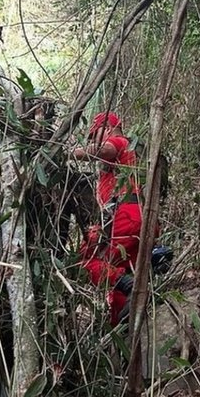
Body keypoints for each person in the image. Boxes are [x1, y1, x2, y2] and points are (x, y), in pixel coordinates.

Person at [72, 111, 142, 326]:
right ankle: (121, 325)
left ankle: (131, 286)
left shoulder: (119, 142)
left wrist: (67, 153)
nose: (93, 140)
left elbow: (105, 149)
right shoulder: (127, 156)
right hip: (135, 219)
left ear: (108, 127)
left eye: (95, 134)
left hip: (124, 215)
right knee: (118, 275)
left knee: (83, 259)